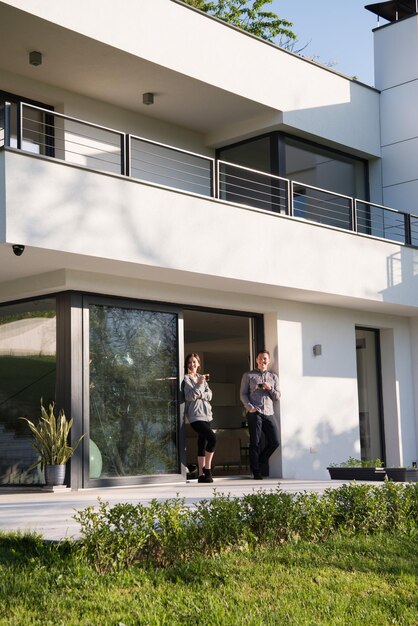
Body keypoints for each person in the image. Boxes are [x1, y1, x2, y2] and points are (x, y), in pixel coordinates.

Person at [240, 349, 280, 479]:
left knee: (274, 442)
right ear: (256, 360)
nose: (263, 360)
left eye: (265, 358)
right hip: (254, 412)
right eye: (260, 358)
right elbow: (243, 394)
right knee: (255, 442)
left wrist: (270, 388)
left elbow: (277, 396)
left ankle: (258, 462)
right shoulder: (248, 375)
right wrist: (250, 407)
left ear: (268, 361)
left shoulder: (273, 377)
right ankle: (256, 472)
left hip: (269, 412)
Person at [182, 352, 216, 483]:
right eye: (190, 362)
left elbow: (210, 395)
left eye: (194, 362)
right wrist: (200, 385)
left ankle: (201, 475)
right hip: (195, 416)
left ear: (198, 364)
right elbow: (189, 396)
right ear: (187, 364)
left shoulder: (201, 377)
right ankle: (207, 469)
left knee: (202, 443)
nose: (192, 364)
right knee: (212, 438)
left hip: (207, 415)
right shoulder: (186, 379)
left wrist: (200, 391)